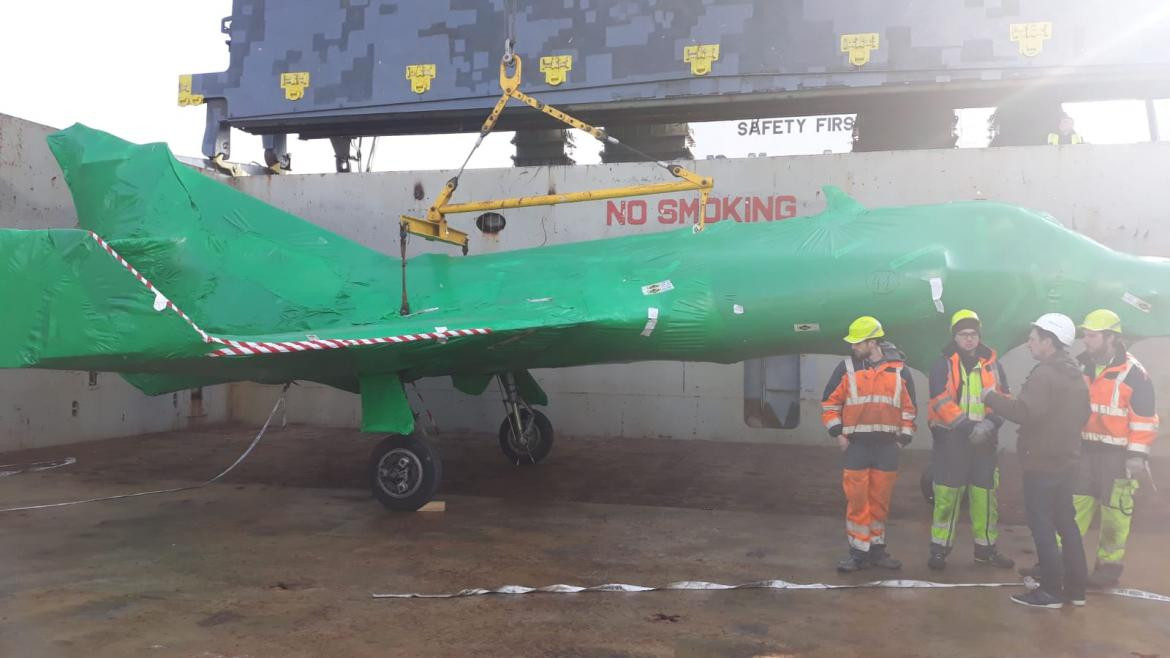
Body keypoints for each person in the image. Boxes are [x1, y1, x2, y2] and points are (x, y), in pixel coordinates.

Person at [984, 313, 1090, 608]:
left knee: (1041, 524)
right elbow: (1084, 415)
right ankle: (1076, 590)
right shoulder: (1074, 373)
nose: (1028, 344)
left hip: (1041, 464)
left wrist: (990, 397)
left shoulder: (1045, 374)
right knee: (1066, 524)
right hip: (1067, 461)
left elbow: (1023, 412)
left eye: (1033, 339)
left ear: (1049, 342)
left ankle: (1050, 591)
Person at [822, 316, 917, 573]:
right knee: (857, 503)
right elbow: (829, 404)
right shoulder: (846, 368)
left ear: (872, 342)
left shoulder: (899, 370)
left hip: (887, 448)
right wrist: (839, 435)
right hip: (857, 447)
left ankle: (876, 551)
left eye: (858, 342)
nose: (853, 347)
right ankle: (858, 554)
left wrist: (902, 440)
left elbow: (909, 409)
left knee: (879, 503)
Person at [1074, 309, 1158, 588]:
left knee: (1116, 512)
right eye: (1085, 334)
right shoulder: (1082, 365)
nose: (1085, 340)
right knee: (1074, 506)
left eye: (1092, 336)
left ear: (1111, 338)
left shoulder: (1135, 374)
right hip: (1084, 450)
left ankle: (1108, 570)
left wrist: (1136, 455)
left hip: (1117, 456)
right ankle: (1061, 560)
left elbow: (1145, 419)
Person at [925, 310, 1014, 570]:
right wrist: (966, 426)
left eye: (973, 334)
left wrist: (991, 423)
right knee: (946, 497)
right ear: (955, 337)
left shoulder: (994, 365)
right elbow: (939, 400)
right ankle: (939, 550)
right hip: (952, 440)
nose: (969, 340)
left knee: (985, 498)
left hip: (985, 441)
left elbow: (1004, 400)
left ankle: (985, 550)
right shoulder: (942, 364)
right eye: (964, 335)